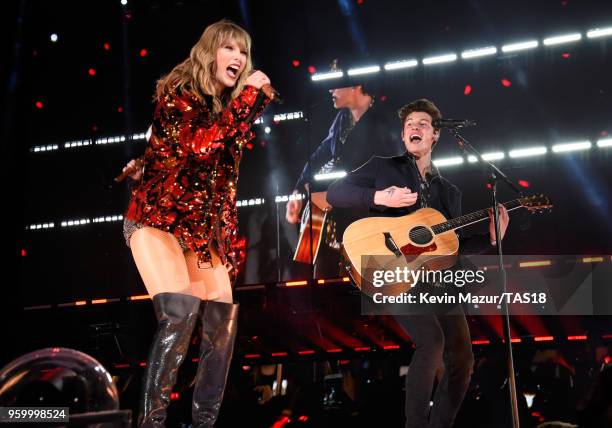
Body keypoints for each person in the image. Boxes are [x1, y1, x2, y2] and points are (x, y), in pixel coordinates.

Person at [122, 20, 272, 427]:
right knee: (180, 313)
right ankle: (150, 422)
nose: (239, 59)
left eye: (244, 52)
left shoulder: (229, 108)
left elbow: (225, 184)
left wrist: (222, 249)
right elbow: (202, 145)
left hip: (200, 233)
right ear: (210, 53)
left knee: (222, 320)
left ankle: (204, 423)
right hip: (157, 220)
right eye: (230, 49)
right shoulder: (179, 93)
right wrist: (249, 101)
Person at [327, 98, 509, 428]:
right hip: (390, 269)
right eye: (409, 123)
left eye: (422, 123)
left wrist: (492, 239)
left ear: (435, 135)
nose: (415, 127)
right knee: (432, 341)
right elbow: (335, 193)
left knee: (464, 359)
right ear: (403, 134)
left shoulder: (448, 191)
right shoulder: (384, 166)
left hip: (434, 279)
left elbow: (451, 247)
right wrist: (380, 197)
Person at [285, 79, 401, 277]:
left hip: (366, 226)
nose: (330, 89)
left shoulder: (383, 122)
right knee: (325, 291)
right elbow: (319, 155)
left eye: (336, 84)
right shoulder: (341, 119)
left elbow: (391, 178)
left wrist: (334, 195)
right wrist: (298, 190)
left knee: (365, 295)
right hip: (333, 227)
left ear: (356, 85)